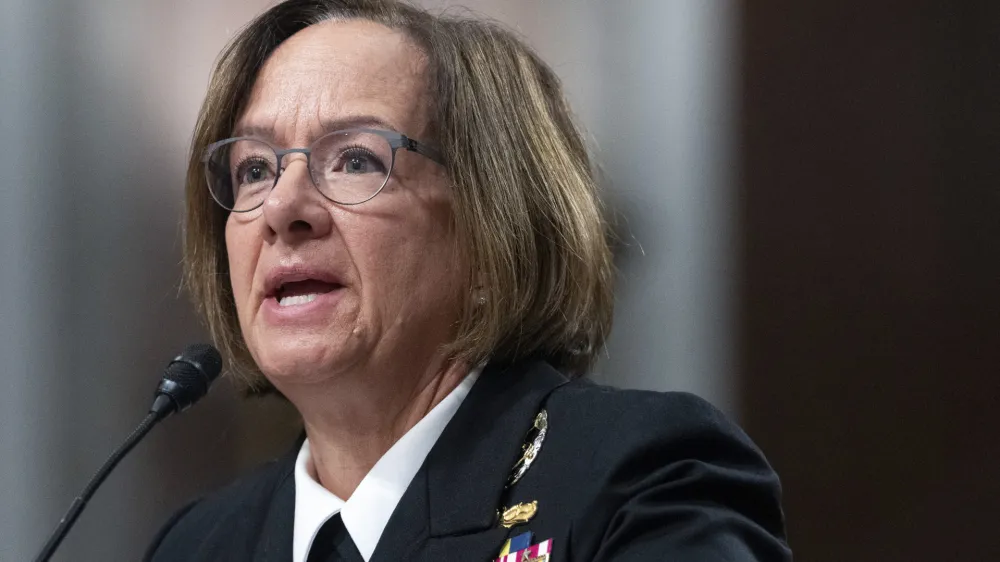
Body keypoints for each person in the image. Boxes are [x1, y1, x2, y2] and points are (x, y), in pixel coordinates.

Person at [144, 1, 791, 560]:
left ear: (491, 233)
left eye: (355, 160)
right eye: (254, 169)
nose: (284, 210)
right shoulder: (199, 545)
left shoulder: (636, 478)